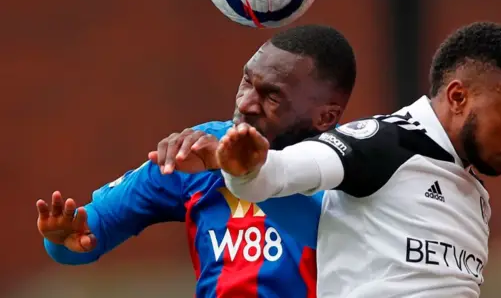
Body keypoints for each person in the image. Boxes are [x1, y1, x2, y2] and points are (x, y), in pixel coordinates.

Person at [204, 21, 501, 298]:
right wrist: (244, 166)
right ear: (458, 97)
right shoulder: (383, 143)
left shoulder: (474, 195)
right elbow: (277, 172)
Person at [35, 24, 357, 298]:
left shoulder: (355, 168)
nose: (246, 104)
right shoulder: (199, 152)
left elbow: (324, 229)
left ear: (325, 116)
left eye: (271, 97)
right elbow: (89, 234)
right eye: (247, 81)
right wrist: (63, 239)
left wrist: (238, 169)